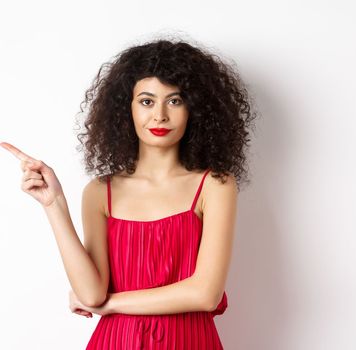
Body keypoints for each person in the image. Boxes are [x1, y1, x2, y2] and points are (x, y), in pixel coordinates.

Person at [0, 37, 256, 349]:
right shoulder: (99, 192)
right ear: (127, 109)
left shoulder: (215, 185)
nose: (160, 115)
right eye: (146, 101)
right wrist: (54, 205)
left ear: (195, 109)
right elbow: (92, 293)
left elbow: (205, 294)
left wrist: (111, 304)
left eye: (174, 101)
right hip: (116, 342)